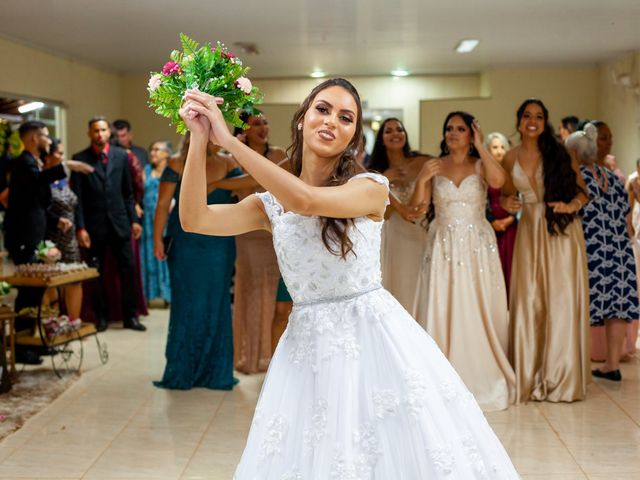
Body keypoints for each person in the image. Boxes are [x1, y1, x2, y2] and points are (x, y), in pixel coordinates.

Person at [180, 78, 519, 478]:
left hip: (371, 338)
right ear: (302, 118)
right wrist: (200, 138)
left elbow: (305, 201)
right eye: (322, 109)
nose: (331, 122)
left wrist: (231, 142)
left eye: (345, 118)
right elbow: (194, 218)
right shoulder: (268, 206)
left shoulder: (370, 188)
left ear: (353, 136)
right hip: (306, 347)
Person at [411, 112, 515, 411]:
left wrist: (482, 146)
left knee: (475, 304)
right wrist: (421, 179)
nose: (453, 133)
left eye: (460, 129)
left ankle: (480, 374)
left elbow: (499, 181)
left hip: (476, 245)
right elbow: (419, 208)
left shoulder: (481, 164)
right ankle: (441, 377)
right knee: (442, 303)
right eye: (449, 128)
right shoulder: (434, 164)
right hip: (442, 242)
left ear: (471, 134)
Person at [501, 98, 590, 403]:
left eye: (539, 116)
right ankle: (530, 373)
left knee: (560, 300)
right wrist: (508, 204)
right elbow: (506, 195)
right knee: (530, 300)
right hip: (528, 231)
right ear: (519, 120)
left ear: (545, 121)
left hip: (560, 230)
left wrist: (570, 206)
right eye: (527, 115)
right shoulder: (510, 157)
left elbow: (583, 192)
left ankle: (560, 376)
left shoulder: (560, 153)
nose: (533, 121)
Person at [152, 134, 240, 390]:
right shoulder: (177, 163)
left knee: (218, 301)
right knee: (186, 302)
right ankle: (183, 369)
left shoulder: (228, 162)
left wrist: (221, 184)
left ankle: (216, 370)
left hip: (220, 243)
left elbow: (247, 190)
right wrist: (157, 239)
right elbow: (162, 204)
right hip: (186, 242)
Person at [566, 124, 639, 381]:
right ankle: (612, 363)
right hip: (619, 248)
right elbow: (625, 214)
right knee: (617, 306)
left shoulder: (577, 178)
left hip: (592, 246)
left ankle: (575, 363)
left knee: (582, 303)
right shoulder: (613, 177)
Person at [71, 116, 145, 332]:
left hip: (120, 223)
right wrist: (81, 227)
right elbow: (78, 199)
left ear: (108, 132)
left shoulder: (121, 156)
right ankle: (101, 316)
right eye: (95, 130)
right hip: (94, 227)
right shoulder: (80, 159)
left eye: (103, 130)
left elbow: (128, 193)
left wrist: (134, 220)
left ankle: (130, 317)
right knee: (98, 273)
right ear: (89, 133)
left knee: (128, 270)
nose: (100, 134)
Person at [231, 112, 288, 374]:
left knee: (274, 295)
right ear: (244, 130)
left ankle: (271, 355)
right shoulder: (234, 156)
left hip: (275, 231)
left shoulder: (278, 155)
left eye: (265, 122)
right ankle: (249, 356)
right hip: (247, 233)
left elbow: (264, 180)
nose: (263, 127)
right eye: (257, 124)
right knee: (251, 291)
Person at [5, 121, 65, 364]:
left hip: (35, 235)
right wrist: (65, 166)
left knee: (37, 292)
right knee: (27, 293)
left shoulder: (34, 164)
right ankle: (21, 346)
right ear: (32, 139)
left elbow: (36, 202)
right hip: (22, 237)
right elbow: (35, 184)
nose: (49, 141)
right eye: (45, 136)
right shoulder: (22, 164)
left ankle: (35, 340)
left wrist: (55, 219)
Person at [368, 118, 432, 311]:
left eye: (399, 129)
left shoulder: (422, 162)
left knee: (420, 284)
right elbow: (382, 215)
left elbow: (422, 207)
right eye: (388, 131)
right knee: (396, 283)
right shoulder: (376, 172)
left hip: (419, 232)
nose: (395, 134)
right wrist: (385, 181)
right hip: (392, 234)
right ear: (381, 139)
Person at [43, 138, 83, 322]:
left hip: (70, 238)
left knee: (74, 279)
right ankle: (52, 323)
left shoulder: (64, 178)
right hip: (51, 237)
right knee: (52, 282)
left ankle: (73, 322)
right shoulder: (41, 177)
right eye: (59, 153)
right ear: (48, 157)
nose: (62, 156)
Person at [484, 132, 517, 295]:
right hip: (491, 227)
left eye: (503, 147)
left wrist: (511, 219)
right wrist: (491, 221)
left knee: (511, 266)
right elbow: (482, 201)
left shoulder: (514, 173)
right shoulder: (484, 173)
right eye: (495, 147)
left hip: (511, 227)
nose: (499, 151)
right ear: (488, 150)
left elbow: (522, 199)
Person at [140, 141, 172, 305]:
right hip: (147, 220)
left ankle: (169, 295)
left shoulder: (172, 170)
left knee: (166, 254)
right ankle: (149, 294)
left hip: (166, 218)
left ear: (167, 153)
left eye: (157, 150)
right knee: (148, 253)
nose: (153, 153)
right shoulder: (146, 171)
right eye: (151, 149)